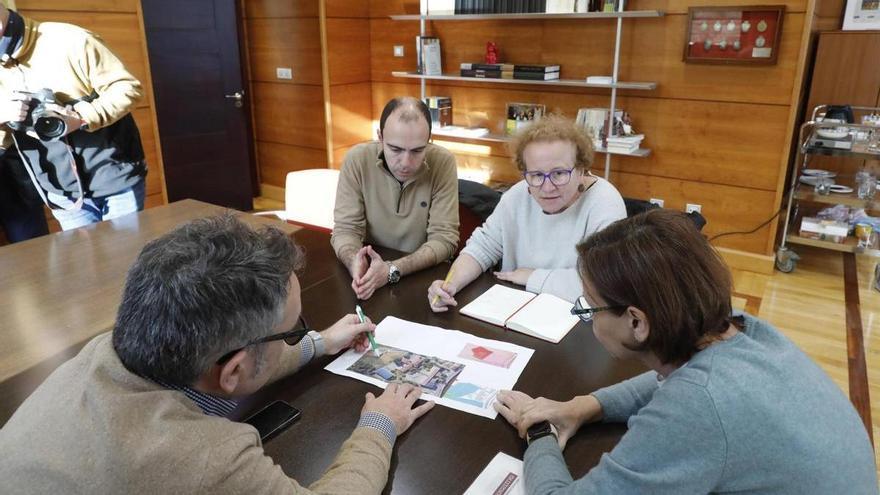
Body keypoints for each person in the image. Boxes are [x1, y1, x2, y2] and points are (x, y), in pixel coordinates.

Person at [0, 215, 434, 493]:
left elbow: (242, 365)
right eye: (291, 331)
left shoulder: (109, 348)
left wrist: (318, 342)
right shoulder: (205, 458)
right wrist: (380, 425)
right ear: (232, 371)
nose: (298, 335)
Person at [493, 209, 878, 494]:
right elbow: (668, 383)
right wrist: (584, 405)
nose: (587, 317)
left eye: (589, 306)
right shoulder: (735, 326)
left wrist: (539, 430)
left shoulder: (696, 407)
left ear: (636, 323)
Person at [428, 115, 625, 309]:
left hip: (578, 317)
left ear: (581, 169)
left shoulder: (604, 202)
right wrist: (450, 284)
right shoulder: (518, 195)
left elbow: (606, 283)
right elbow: (482, 248)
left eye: (559, 173)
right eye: (537, 175)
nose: (547, 187)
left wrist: (532, 276)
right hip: (515, 310)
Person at [0, 4, 147, 232]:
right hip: (60, 190)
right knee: (84, 263)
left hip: (114, 175)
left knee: (126, 259)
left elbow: (128, 88)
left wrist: (80, 117)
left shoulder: (69, 40)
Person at [332, 96, 459, 300]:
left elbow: (444, 240)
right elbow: (345, 229)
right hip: (370, 276)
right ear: (380, 137)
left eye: (418, 150)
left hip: (422, 280)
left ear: (429, 140)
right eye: (395, 149)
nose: (406, 162)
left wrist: (392, 270)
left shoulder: (443, 162)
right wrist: (354, 260)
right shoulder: (356, 159)